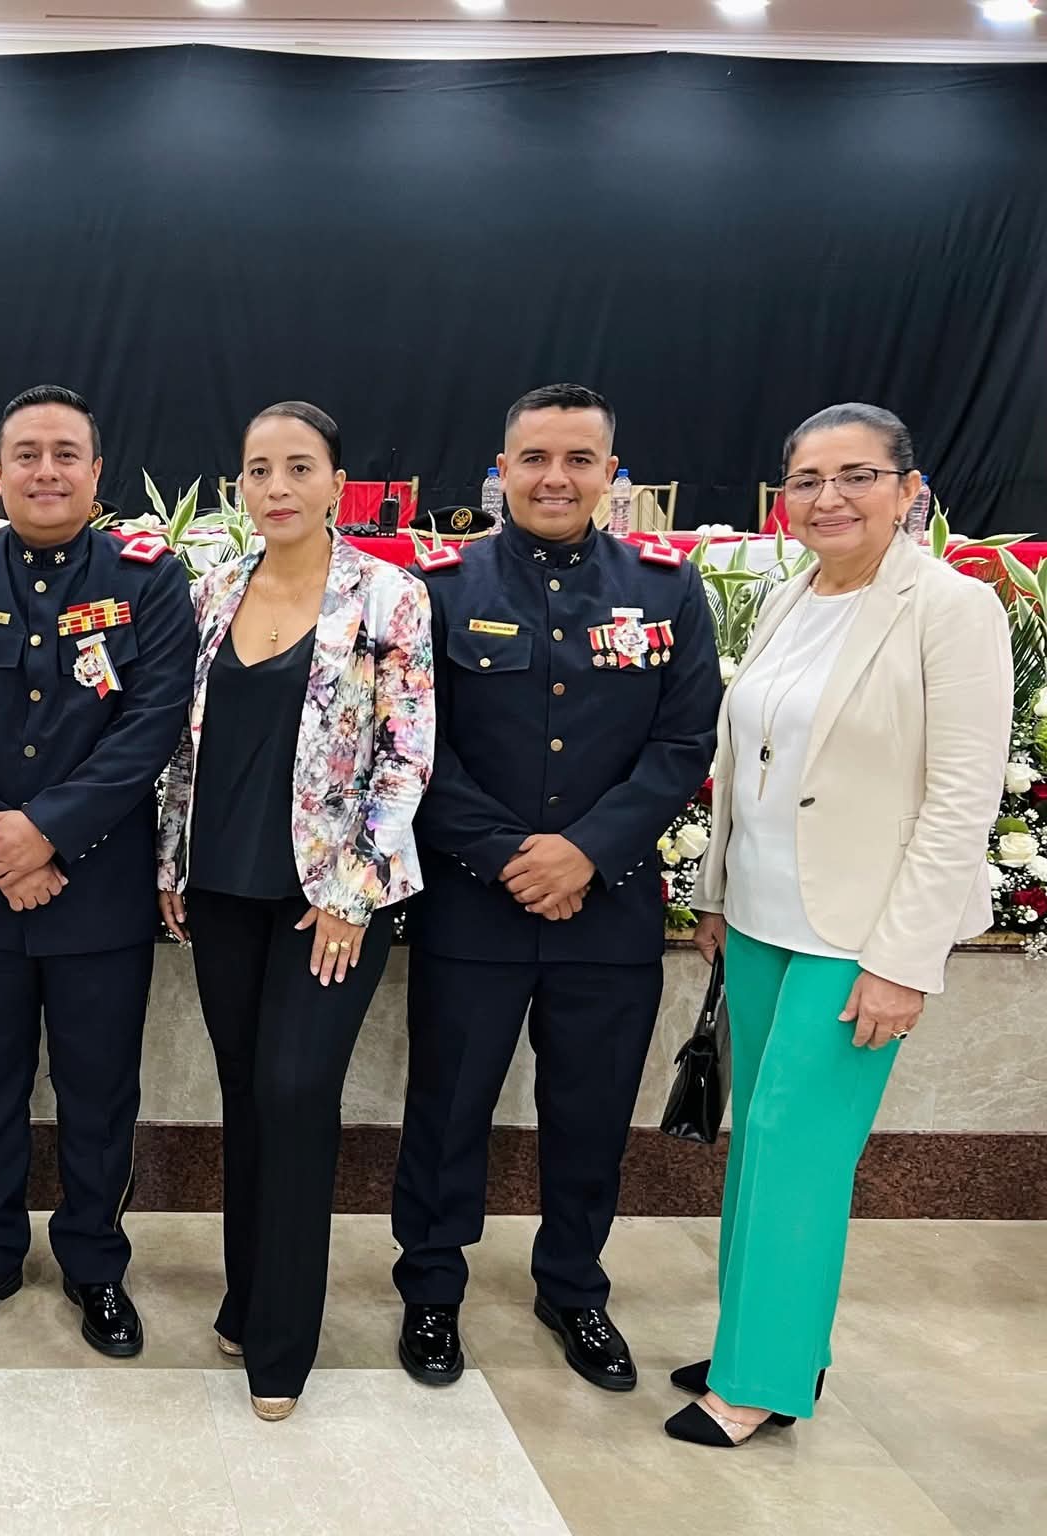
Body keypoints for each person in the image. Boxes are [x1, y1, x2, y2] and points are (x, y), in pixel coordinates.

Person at [670, 404, 1012, 1447]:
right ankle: (765, 1339)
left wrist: (904, 961)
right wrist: (717, 893)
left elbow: (960, 800)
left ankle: (760, 1381)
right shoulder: (790, 595)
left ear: (909, 490)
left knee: (798, 1147)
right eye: (807, 480)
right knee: (757, 1145)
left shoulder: (949, 609)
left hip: (858, 933)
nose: (829, 498)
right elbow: (748, 762)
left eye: (856, 476)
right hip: (763, 914)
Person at [393, 383, 721, 1392]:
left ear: (610, 475)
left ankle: (573, 1286)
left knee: (590, 1112)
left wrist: (584, 852)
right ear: (500, 472)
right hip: (471, 904)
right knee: (446, 1108)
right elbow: (412, 745)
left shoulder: (666, 588)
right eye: (533, 458)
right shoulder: (439, 586)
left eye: (579, 459)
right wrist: (508, 855)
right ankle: (431, 1287)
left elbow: (681, 743)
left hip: (606, 909)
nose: (555, 477)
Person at [0, 385, 197, 1355]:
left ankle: (94, 1265)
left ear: (96, 471)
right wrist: (4, 845)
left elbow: (149, 725)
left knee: (98, 1092)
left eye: (65, 453)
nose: (45, 470)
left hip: (97, 892)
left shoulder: (149, 582)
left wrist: (49, 835)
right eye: (25, 453)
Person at [156, 402, 434, 1420]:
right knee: (245, 1094)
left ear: (336, 484)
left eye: (298, 467)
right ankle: (246, 1296)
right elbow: (181, 746)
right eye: (257, 469)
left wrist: (356, 893)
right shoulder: (211, 592)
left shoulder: (388, 595)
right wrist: (171, 859)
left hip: (331, 901)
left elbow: (405, 756)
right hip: (223, 887)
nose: (276, 486)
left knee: (296, 1091)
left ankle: (282, 1344)